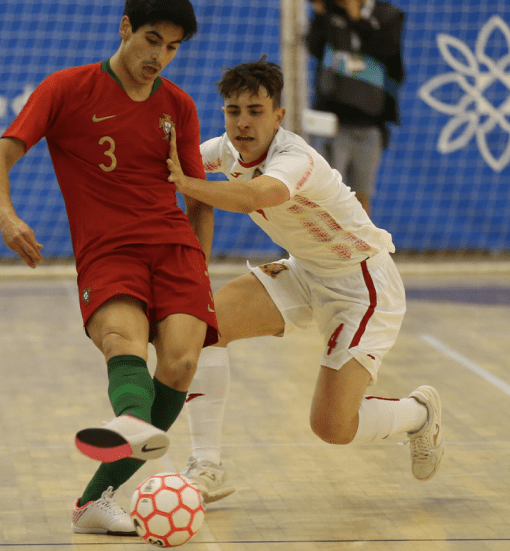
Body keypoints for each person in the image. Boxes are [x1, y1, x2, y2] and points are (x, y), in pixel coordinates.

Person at [0, 0, 216, 536]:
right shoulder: (66, 89)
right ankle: (131, 422)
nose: (159, 58)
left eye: (172, 48)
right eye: (152, 41)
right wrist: (7, 218)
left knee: (181, 364)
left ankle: (93, 499)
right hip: (108, 251)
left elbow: (198, 198)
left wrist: (199, 268)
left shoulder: (178, 106)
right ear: (125, 28)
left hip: (175, 247)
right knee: (122, 343)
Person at [166, 58, 443, 504]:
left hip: (362, 285)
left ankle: (418, 413)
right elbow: (178, 172)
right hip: (303, 272)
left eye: (255, 111)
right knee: (204, 327)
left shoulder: (295, 158)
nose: (242, 122)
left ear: (278, 117)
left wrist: (188, 183)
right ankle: (207, 466)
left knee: (331, 427)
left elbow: (256, 195)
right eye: (233, 110)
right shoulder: (223, 151)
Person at [306, 0, 404, 215]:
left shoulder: (389, 15)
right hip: (333, 121)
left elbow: (387, 50)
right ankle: (326, 252)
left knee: (361, 198)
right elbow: (314, 48)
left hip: (370, 122)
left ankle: (362, 252)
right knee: (327, 196)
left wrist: (357, 18)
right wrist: (319, 11)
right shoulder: (330, 14)